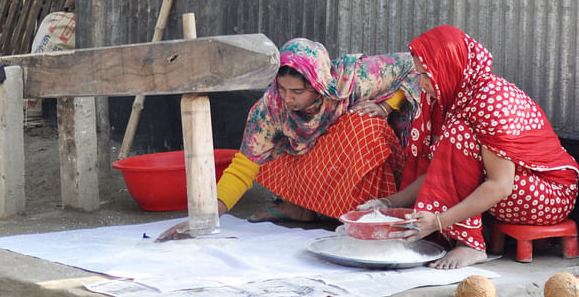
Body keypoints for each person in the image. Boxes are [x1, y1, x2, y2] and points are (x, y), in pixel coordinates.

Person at [359, 25, 579, 269]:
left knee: (459, 134)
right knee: (458, 136)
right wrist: (388, 204)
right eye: (419, 75)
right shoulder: (459, 97)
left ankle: (471, 245)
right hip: (517, 186)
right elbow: (440, 174)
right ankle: (463, 232)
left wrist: (438, 222)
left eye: (426, 75)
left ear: (448, 68)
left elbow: (500, 186)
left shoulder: (491, 102)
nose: (420, 84)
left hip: (549, 194)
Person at [158, 37, 420, 239]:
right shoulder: (272, 107)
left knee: (365, 128)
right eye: (281, 88)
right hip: (310, 161)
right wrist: (207, 217)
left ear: (318, 84)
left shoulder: (353, 78)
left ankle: (360, 216)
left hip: (349, 159)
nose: (288, 98)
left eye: (297, 91)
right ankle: (301, 207)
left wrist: (388, 105)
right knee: (264, 143)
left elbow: (412, 65)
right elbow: (244, 165)